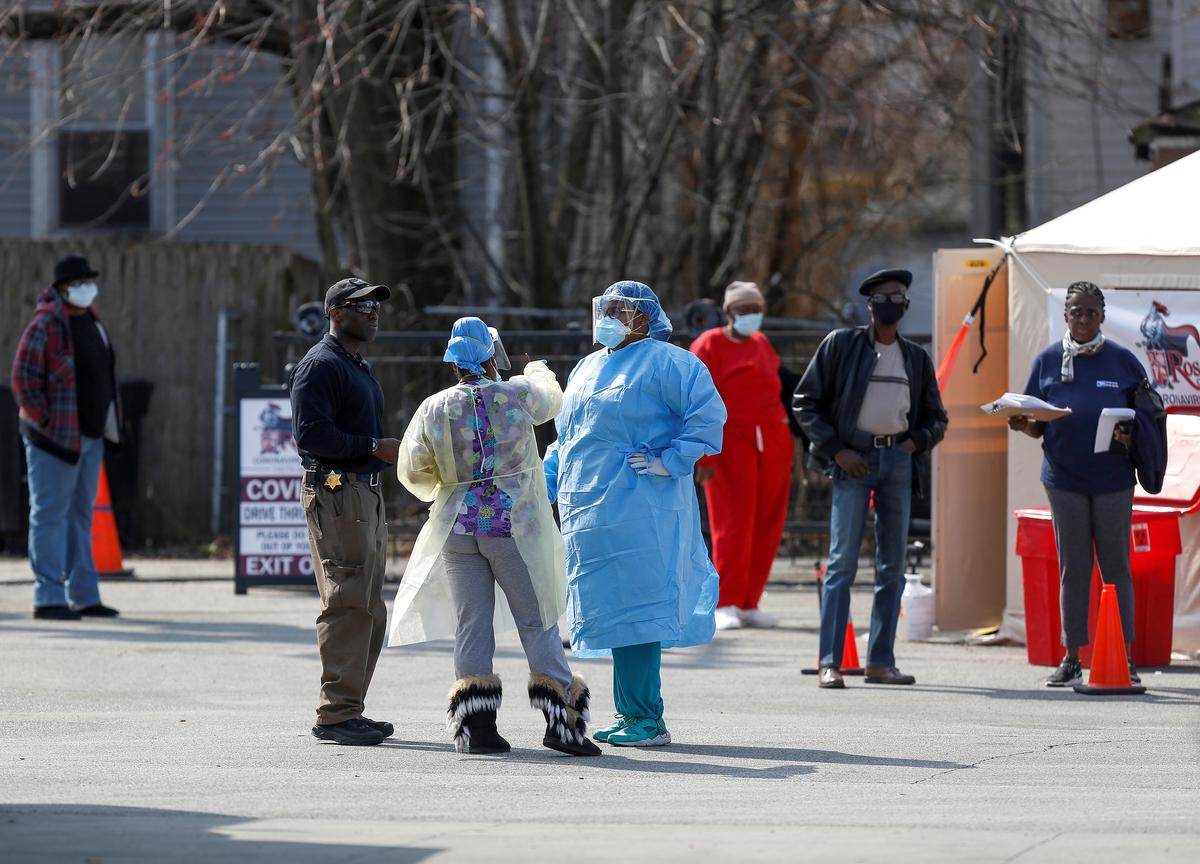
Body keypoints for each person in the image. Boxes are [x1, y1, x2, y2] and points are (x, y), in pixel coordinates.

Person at [388, 318, 601, 757]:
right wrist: (538, 368)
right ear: (490, 356)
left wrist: (447, 485)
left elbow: (412, 469)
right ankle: (562, 722)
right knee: (536, 619)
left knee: (472, 625)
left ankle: (477, 728)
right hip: (513, 527)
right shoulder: (518, 394)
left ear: (452, 364)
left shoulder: (434, 407)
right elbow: (553, 399)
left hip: (458, 528)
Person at [545, 281, 726, 746]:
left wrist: (673, 459)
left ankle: (648, 718)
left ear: (642, 317)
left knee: (641, 608)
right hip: (588, 508)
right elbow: (568, 435)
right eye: (603, 308)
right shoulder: (587, 367)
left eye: (617, 309)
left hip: (644, 506)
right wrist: (544, 482)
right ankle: (630, 714)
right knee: (616, 611)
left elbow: (707, 416)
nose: (606, 316)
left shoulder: (671, 362)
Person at [794, 268, 947, 689]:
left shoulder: (915, 358)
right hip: (851, 461)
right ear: (870, 305)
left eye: (897, 296)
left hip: (897, 461)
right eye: (882, 297)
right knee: (842, 563)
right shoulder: (842, 345)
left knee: (892, 566)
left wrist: (912, 444)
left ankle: (881, 661)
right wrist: (837, 450)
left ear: (907, 306)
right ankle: (831, 662)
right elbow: (805, 403)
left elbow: (937, 418)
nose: (890, 302)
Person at [1009, 281, 1148, 687]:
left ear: (1102, 316)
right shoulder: (1048, 361)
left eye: (1090, 312)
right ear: (1065, 315)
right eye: (1076, 312)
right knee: (1074, 567)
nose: (1083, 319)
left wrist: (1130, 437)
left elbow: (1147, 422)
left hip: (1112, 480)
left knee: (1116, 567)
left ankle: (1125, 656)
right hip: (1064, 479)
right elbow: (1038, 424)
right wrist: (1023, 424)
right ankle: (1072, 656)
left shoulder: (1123, 361)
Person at [289, 277, 399, 747]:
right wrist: (376, 446)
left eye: (376, 305)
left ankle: (350, 708)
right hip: (337, 493)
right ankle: (335, 714)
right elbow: (311, 436)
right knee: (348, 600)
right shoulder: (320, 365)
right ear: (335, 312)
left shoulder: (355, 364)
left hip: (363, 492)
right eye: (361, 305)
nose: (373, 312)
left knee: (371, 606)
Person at [11, 255, 121, 621]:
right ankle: (48, 597)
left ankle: (85, 595)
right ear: (62, 289)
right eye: (80, 283)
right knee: (49, 516)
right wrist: (45, 420)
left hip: (89, 437)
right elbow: (22, 379)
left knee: (81, 517)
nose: (87, 288)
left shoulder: (91, 319)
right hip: (53, 440)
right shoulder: (46, 324)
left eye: (89, 281)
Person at [691, 281, 793, 631]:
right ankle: (726, 600)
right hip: (730, 440)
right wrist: (705, 454)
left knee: (768, 521)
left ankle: (750, 601)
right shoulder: (709, 344)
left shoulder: (762, 343)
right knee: (732, 524)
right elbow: (698, 400)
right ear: (730, 311)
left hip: (773, 440)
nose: (751, 316)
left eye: (756, 310)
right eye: (744, 310)